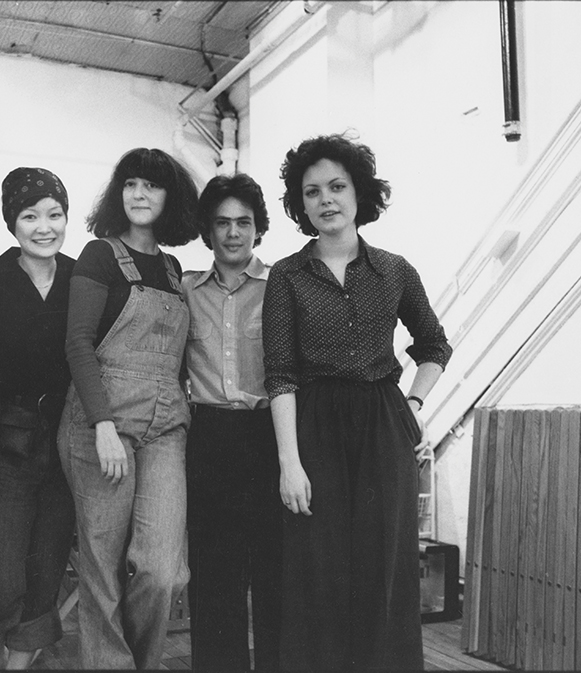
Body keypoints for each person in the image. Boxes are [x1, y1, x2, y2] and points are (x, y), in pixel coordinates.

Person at [263, 134, 452, 670]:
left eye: (337, 187)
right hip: (313, 424)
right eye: (313, 191)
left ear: (358, 192)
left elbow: (433, 345)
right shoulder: (287, 275)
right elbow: (279, 374)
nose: (326, 200)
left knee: (383, 566)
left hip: (382, 419)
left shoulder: (393, 270)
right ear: (300, 205)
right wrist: (289, 463)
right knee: (316, 568)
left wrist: (412, 405)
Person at [57, 147, 199, 669]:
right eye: (132, 184)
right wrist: (102, 425)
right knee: (101, 568)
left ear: (170, 198)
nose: (140, 195)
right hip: (103, 424)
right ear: (120, 193)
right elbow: (77, 344)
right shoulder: (99, 255)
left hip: (166, 426)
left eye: (153, 186)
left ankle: (137, 662)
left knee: (163, 570)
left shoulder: (172, 267)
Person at [0, 167, 76, 669]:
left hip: (65, 443)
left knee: (46, 570)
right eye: (30, 215)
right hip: (7, 442)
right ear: (12, 223)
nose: (44, 226)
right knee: (0, 573)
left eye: (54, 214)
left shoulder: (82, 277)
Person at [181, 173, 282, 672]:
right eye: (223, 223)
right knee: (213, 579)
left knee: (274, 576)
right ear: (209, 231)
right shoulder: (184, 290)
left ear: (258, 228)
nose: (234, 232)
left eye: (244, 222)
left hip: (268, 437)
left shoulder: (282, 288)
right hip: (208, 439)